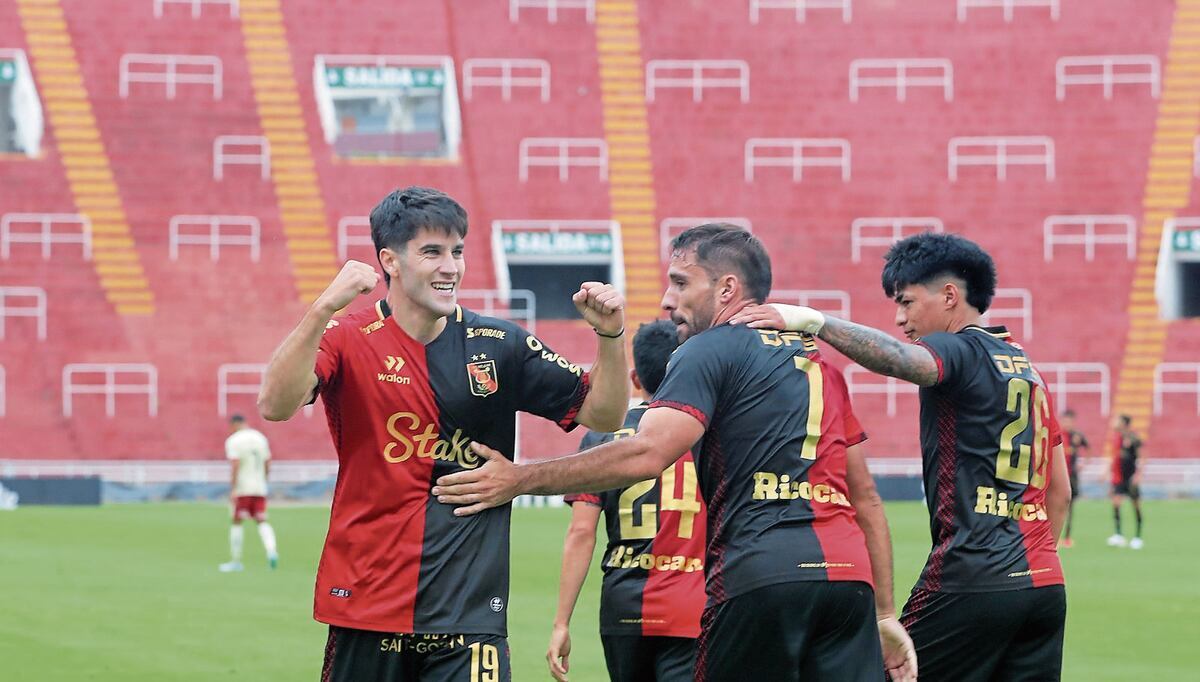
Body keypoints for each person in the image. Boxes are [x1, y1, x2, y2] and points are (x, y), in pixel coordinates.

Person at [434, 224, 917, 682]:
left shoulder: (708, 349)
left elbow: (645, 452)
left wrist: (520, 478)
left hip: (760, 574)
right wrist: (884, 613)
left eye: (681, 283)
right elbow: (866, 498)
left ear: (726, 289)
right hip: (849, 581)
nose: (668, 299)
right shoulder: (822, 364)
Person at [257, 186, 630, 681]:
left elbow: (604, 414)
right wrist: (322, 308)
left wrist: (610, 336)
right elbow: (275, 405)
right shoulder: (347, 337)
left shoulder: (499, 343)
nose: (451, 267)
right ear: (390, 261)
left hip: (470, 619)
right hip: (367, 607)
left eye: (457, 251)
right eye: (432, 252)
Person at [734, 232, 1072, 681]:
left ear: (949, 296)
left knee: (887, 670)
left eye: (907, 302)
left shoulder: (959, 349)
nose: (899, 318)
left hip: (972, 578)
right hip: (1045, 587)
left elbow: (898, 359)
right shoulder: (1029, 371)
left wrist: (813, 321)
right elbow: (1060, 492)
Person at [549, 320, 704, 682]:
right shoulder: (706, 434)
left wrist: (561, 623)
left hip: (624, 608)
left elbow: (581, 533)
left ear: (635, 379)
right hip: (691, 606)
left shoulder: (601, 438)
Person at [219, 414, 278, 572]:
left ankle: (236, 560)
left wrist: (233, 488)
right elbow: (267, 462)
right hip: (259, 487)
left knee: (237, 521)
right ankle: (271, 551)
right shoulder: (260, 438)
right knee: (262, 520)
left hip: (243, 488)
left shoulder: (234, 440)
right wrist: (264, 480)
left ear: (234, 424)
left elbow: (235, 464)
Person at [1108, 414, 1144, 549]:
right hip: (1119, 478)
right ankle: (1118, 535)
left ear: (1123, 423)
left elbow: (1142, 457)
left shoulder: (1134, 438)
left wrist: (1138, 475)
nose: (1114, 423)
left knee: (1136, 506)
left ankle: (1137, 537)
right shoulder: (1117, 437)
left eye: (1117, 421)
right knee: (1116, 504)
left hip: (1131, 477)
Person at [1060, 409, 1089, 548]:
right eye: (1065, 420)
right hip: (1058, 475)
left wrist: (1084, 463)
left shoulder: (1077, 436)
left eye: (1069, 421)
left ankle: (1067, 537)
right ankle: (1052, 536)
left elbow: (1088, 448)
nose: (1067, 423)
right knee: (1053, 505)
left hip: (1071, 476)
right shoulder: (1057, 434)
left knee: (1070, 506)